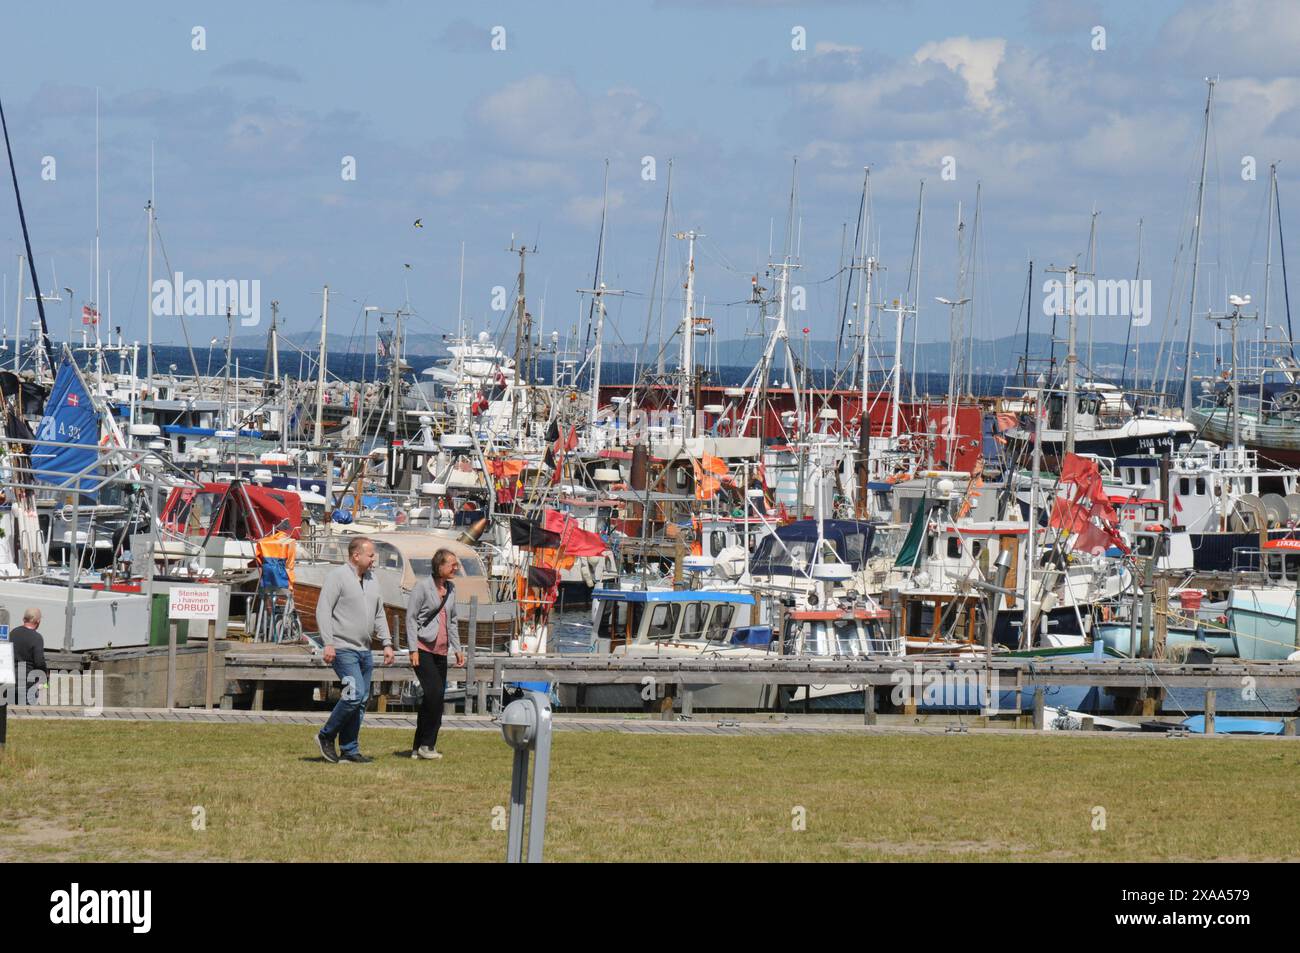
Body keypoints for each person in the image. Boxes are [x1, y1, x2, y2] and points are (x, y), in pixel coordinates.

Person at [315, 537, 393, 763]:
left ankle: (349, 750)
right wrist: (327, 642)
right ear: (356, 555)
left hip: (365, 651)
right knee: (353, 694)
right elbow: (323, 610)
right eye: (370, 555)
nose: (374, 559)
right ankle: (325, 736)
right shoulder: (337, 577)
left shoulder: (372, 580)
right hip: (343, 649)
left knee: (361, 700)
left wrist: (387, 643)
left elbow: (379, 613)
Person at [405, 548, 465, 760]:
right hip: (423, 649)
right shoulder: (422, 587)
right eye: (452, 564)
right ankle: (427, 745)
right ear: (440, 566)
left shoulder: (451, 589)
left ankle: (419, 746)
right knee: (435, 694)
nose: (455, 568)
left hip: (441, 651)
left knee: (433, 699)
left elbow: (453, 620)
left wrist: (457, 648)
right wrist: (413, 649)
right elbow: (411, 618)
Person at [11, 609, 47, 704]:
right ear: (38, 621)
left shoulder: (13, 633)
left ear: (24, 619)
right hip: (28, 682)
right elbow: (39, 662)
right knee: (26, 711)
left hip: (10, 680)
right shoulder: (37, 638)